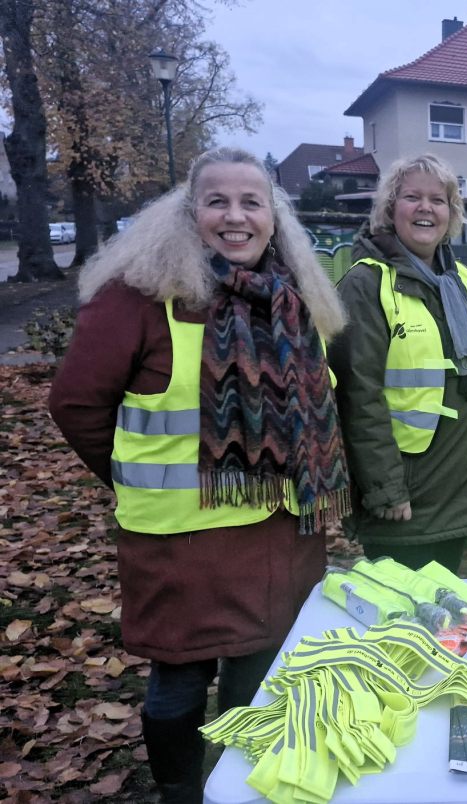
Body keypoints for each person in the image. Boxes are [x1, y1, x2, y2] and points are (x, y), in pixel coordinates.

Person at [48, 147, 350, 801]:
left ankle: (239, 785)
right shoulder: (139, 298)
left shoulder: (293, 299)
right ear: (190, 213)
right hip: (182, 543)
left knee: (258, 676)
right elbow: (76, 404)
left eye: (252, 202)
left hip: (275, 535)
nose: (235, 216)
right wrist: (135, 475)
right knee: (178, 685)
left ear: (274, 217)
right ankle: (182, 791)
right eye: (218, 201)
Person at [327, 153, 467, 574]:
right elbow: (357, 398)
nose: (426, 208)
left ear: (451, 213)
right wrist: (385, 490)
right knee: (403, 624)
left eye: (438, 200)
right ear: (390, 209)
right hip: (405, 501)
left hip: (458, 493)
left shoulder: (460, 281)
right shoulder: (367, 283)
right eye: (412, 197)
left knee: (446, 624)